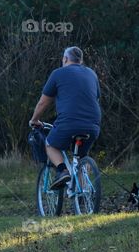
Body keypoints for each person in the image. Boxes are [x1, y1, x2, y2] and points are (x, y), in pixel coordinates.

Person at [28, 46, 101, 190]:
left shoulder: (58, 74)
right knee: (80, 157)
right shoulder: (92, 74)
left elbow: (43, 102)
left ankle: (62, 171)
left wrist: (34, 120)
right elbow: (95, 98)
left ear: (65, 59)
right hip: (93, 124)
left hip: (69, 123)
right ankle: (83, 193)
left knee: (50, 144)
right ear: (80, 60)